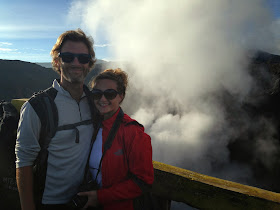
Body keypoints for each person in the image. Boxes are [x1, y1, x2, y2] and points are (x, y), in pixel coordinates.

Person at [15, 29, 96, 210]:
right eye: (68, 56)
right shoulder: (37, 108)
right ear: (57, 61)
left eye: (83, 58)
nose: (76, 63)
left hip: (84, 199)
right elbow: (24, 162)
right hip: (49, 203)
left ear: (89, 64)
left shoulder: (94, 103)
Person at [78, 68, 154, 210]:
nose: (102, 99)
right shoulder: (92, 125)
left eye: (110, 94)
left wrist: (101, 197)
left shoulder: (133, 133)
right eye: (97, 93)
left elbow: (143, 181)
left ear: (121, 96)